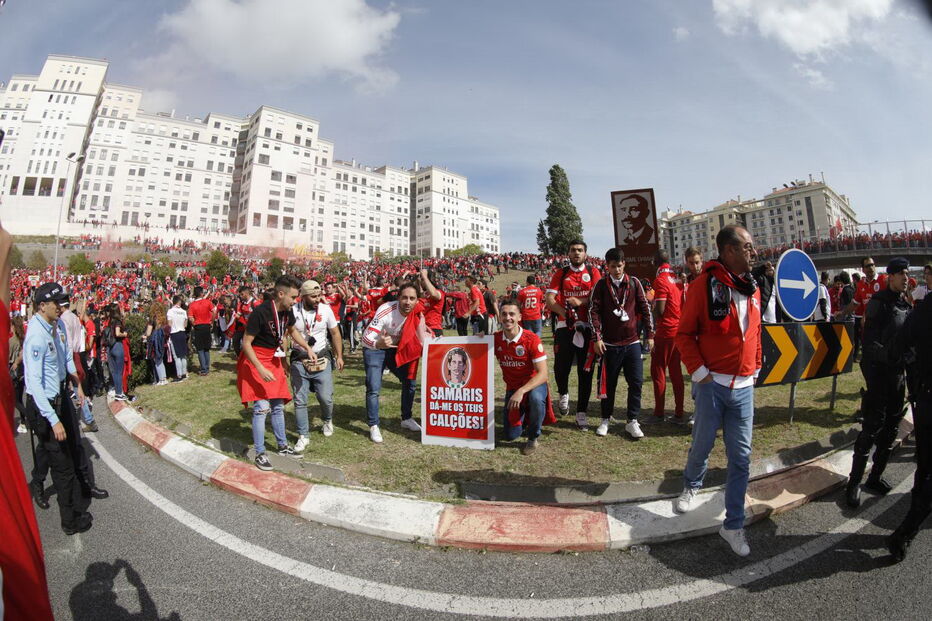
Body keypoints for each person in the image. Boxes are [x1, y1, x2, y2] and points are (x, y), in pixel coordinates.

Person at [673, 225, 762, 557]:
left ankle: (733, 525)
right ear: (729, 251)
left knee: (741, 458)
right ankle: (691, 485)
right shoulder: (701, 287)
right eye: (747, 246)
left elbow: (756, 330)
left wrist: (755, 366)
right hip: (712, 386)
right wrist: (701, 374)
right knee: (702, 443)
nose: (753, 251)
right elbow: (684, 335)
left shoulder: (752, 289)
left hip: (744, 388)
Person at [23, 283, 94, 535]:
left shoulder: (57, 325)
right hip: (45, 405)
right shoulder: (37, 335)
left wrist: (77, 384)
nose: (62, 307)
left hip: (60, 396)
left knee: (70, 451)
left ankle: (77, 498)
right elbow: (34, 383)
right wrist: (53, 419)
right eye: (57, 303)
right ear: (42, 306)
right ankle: (70, 521)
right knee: (60, 464)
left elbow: (64, 358)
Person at [844, 257, 911, 508]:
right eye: (901, 274)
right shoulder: (878, 304)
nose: (906, 278)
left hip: (898, 379)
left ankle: (875, 477)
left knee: (891, 431)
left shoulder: (905, 305)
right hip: (879, 377)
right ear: (890, 276)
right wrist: (891, 356)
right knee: (870, 431)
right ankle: (854, 484)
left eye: (907, 273)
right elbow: (869, 345)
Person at [237, 275, 315, 471]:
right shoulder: (260, 312)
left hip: (273, 359)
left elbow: (291, 331)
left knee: (278, 406)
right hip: (256, 360)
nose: (296, 301)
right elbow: (246, 344)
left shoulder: (287, 312)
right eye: (293, 297)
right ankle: (260, 452)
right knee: (261, 407)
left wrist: (307, 347)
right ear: (281, 294)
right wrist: (260, 368)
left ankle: (282, 446)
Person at [886, 274, 932, 562]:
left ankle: (907, 528)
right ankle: (905, 531)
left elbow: (898, 348)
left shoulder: (923, 310)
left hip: (926, 398)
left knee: (925, 466)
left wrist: (915, 368)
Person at [590, 247, 653, 439]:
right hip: (610, 344)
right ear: (606, 267)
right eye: (612, 266)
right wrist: (597, 338)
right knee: (608, 385)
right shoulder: (601, 286)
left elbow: (645, 308)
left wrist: (650, 334)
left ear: (624, 264)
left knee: (636, 382)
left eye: (619, 266)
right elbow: (593, 312)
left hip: (632, 343)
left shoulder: (634, 283)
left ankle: (632, 420)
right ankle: (605, 419)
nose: (616, 270)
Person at [361, 276, 432, 443]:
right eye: (404, 297)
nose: (408, 302)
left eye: (412, 298)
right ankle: (373, 425)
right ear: (398, 297)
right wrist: (377, 343)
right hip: (375, 349)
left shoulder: (418, 312)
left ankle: (406, 418)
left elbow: (424, 334)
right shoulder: (386, 310)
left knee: (410, 382)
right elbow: (365, 338)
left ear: (417, 300)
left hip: (396, 350)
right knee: (374, 387)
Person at [545, 240, 602, 428]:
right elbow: (550, 299)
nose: (576, 253)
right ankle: (563, 393)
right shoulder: (560, 274)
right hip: (564, 327)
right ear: (568, 254)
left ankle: (581, 412)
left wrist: (581, 301)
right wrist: (566, 314)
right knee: (561, 368)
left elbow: (598, 296)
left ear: (585, 253)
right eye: (573, 250)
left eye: (580, 250)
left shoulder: (593, 273)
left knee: (585, 371)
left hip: (588, 328)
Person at [290, 279, 344, 453]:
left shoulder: (326, 309)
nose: (317, 299)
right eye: (313, 296)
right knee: (300, 400)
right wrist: (283, 361)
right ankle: (303, 435)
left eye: (319, 295)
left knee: (325, 397)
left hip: (322, 359)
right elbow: (285, 335)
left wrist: (339, 356)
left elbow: (335, 333)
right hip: (299, 359)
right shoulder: (293, 311)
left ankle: (327, 420)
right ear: (303, 296)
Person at [495, 301, 551, 454]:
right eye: (504, 314)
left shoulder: (531, 339)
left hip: (533, 384)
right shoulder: (495, 339)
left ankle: (533, 437)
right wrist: (478, 338)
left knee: (535, 399)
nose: (508, 318)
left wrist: (521, 391)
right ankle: (525, 417)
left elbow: (543, 374)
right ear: (499, 317)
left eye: (512, 314)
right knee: (511, 436)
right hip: (512, 387)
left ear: (519, 317)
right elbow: (471, 347)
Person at [650, 249, 685, 423]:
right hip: (678, 330)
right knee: (676, 372)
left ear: (655, 262)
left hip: (665, 331)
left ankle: (659, 412)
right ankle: (679, 412)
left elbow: (661, 310)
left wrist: (652, 308)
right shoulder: (676, 278)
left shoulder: (661, 280)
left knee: (658, 371)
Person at [853, 257, 887, 362]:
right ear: (863, 269)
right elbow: (855, 303)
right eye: (868, 266)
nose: (871, 267)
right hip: (869, 329)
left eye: (872, 264)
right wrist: (842, 312)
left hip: (885, 327)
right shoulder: (860, 285)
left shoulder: (884, 280)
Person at [187, 286, 215, 376]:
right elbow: (214, 311)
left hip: (198, 326)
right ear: (202, 293)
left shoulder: (192, 305)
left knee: (200, 349)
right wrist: (212, 322)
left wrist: (194, 324)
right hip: (207, 326)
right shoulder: (207, 302)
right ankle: (206, 368)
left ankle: (203, 369)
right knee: (206, 348)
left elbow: (190, 317)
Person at [107, 305, 129, 400]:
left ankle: (117, 391)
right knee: (119, 371)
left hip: (111, 347)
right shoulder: (117, 321)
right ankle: (119, 393)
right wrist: (124, 334)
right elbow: (117, 333)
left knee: (115, 372)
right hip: (118, 345)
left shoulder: (109, 321)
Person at [166, 295, 189, 381]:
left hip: (174, 333)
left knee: (177, 357)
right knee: (183, 355)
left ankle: (179, 375)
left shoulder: (170, 311)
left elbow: (169, 324)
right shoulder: (183, 311)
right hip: (182, 332)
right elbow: (185, 325)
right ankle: (184, 373)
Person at [231, 285, 259, 356]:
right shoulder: (241, 304)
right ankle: (240, 356)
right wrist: (234, 315)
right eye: (240, 294)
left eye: (242, 294)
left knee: (250, 345)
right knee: (235, 340)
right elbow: (238, 314)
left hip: (253, 329)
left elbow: (260, 316)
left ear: (247, 293)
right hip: (243, 328)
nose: (240, 296)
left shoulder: (255, 303)